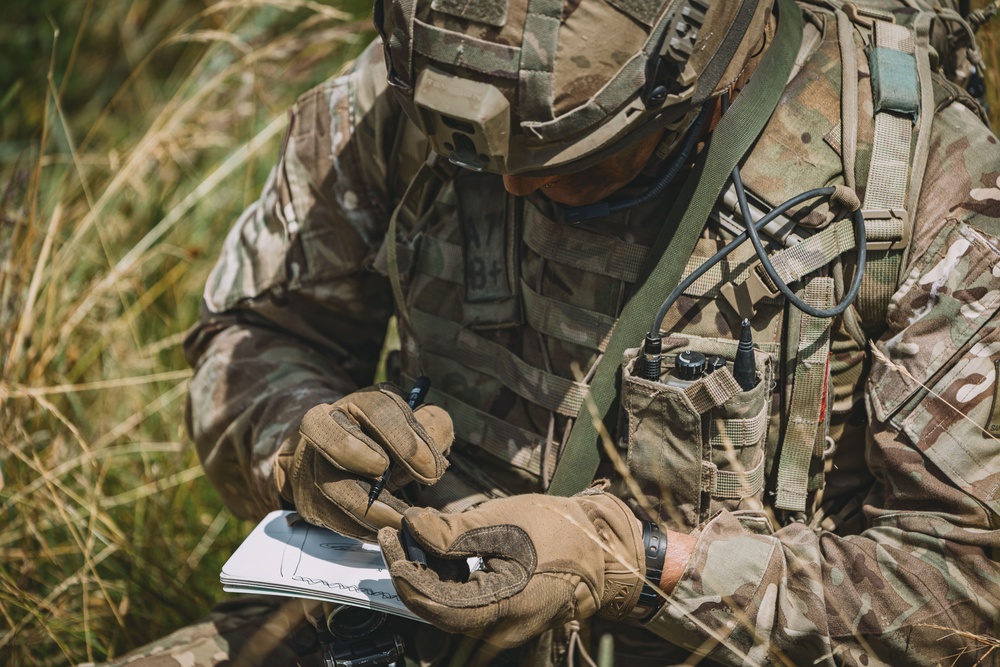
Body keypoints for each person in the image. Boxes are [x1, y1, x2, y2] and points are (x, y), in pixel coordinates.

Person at [97, 0, 1000, 665]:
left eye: (579, 157)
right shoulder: (420, 87)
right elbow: (250, 333)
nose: (514, 187)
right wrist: (300, 443)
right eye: (477, 152)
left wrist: (638, 565)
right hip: (406, 627)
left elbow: (968, 587)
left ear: (699, 74)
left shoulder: (916, 185)